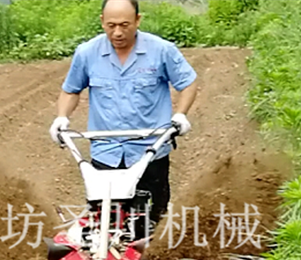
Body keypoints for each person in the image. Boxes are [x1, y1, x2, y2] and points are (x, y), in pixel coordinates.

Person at [49, 0, 197, 228]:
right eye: (111, 25)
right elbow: (71, 90)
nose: (117, 32)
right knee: (105, 221)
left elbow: (187, 83)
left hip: (150, 151)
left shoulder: (161, 50)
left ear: (137, 20)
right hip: (106, 151)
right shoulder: (87, 53)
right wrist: (62, 117)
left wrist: (180, 115)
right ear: (102, 22)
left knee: (151, 221)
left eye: (124, 25)